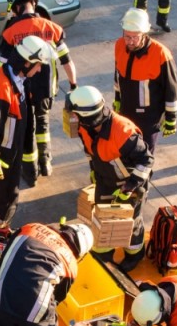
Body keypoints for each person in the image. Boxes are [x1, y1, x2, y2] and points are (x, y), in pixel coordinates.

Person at [66, 86, 153, 272]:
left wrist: (131, 186)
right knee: (102, 218)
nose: (73, 116)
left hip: (130, 184)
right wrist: (94, 170)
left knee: (131, 221)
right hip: (105, 180)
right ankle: (105, 254)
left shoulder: (123, 132)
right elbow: (91, 151)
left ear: (85, 116)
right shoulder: (85, 127)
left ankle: (135, 254)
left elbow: (146, 161)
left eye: (75, 114)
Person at [0, 0, 78, 184]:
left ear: (17, 8)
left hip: (21, 88)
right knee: (43, 123)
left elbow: (2, 66)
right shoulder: (52, 28)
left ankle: (30, 173)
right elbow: (66, 61)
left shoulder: (11, 32)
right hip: (46, 87)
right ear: (33, 5)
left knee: (26, 127)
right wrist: (73, 84)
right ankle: (45, 163)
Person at [0, 38, 47, 234]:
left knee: (9, 195)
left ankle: (2, 227)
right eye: (38, 65)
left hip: (10, 154)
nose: (39, 70)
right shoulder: (1, 89)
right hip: (0, 161)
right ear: (27, 63)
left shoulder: (17, 80)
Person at [113, 8, 177, 154]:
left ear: (144, 34)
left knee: (145, 157)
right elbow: (118, 76)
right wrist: (117, 99)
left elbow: (171, 88)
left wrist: (171, 118)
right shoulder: (119, 46)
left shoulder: (160, 54)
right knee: (126, 152)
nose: (130, 41)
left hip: (149, 118)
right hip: (126, 112)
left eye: (134, 37)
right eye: (127, 36)